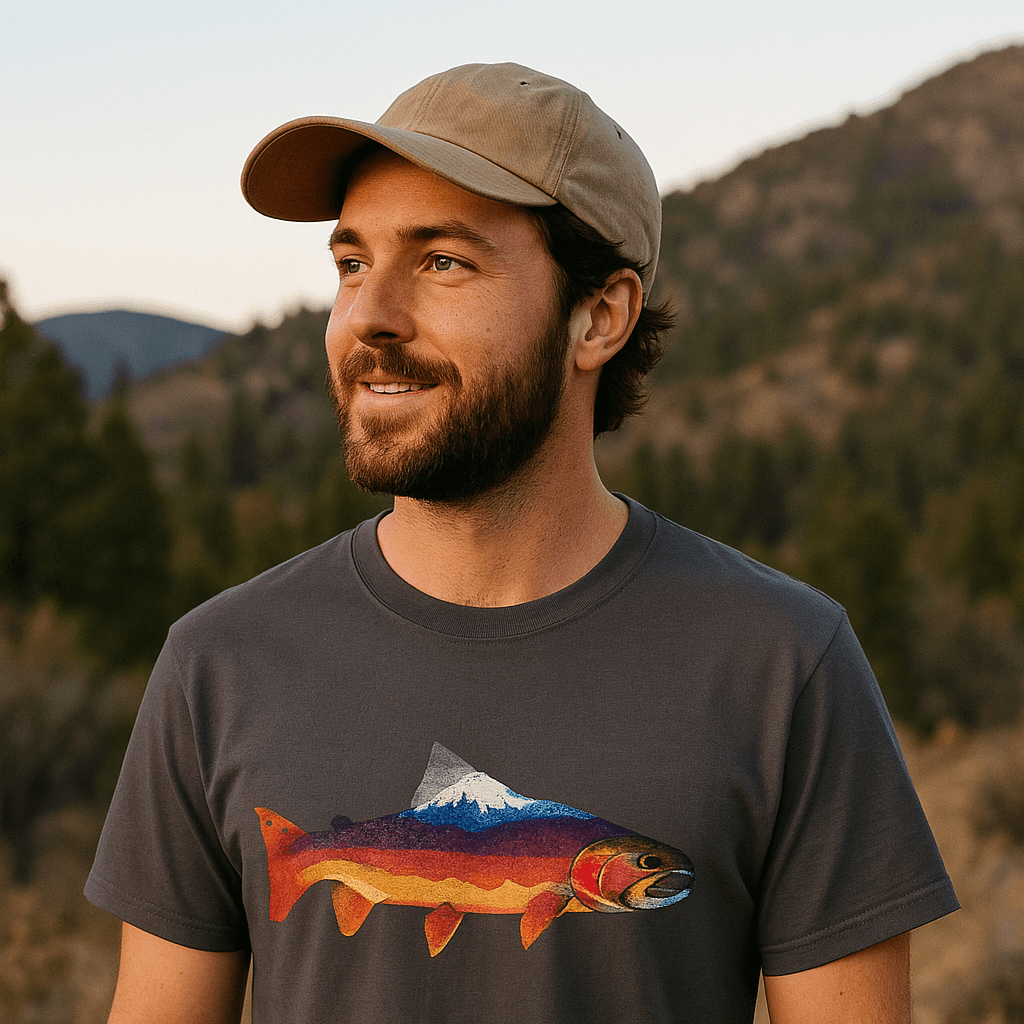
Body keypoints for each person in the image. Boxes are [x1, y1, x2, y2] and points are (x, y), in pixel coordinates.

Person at [86, 62, 958, 1023]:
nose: (368, 315)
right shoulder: (218, 664)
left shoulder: (785, 663)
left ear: (599, 317)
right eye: (352, 264)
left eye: (442, 262)